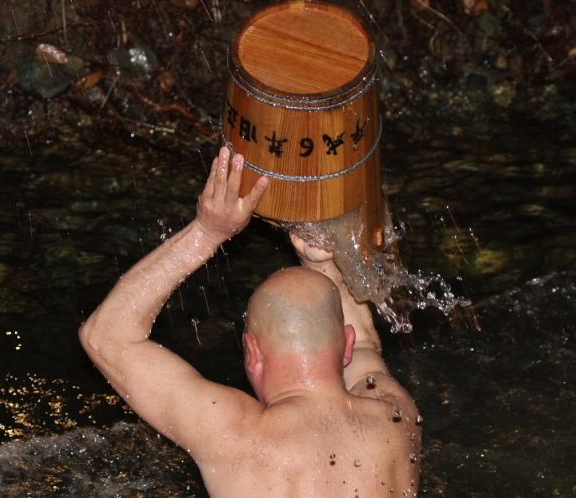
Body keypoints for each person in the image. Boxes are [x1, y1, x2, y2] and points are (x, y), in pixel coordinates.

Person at [79, 146, 421, 497]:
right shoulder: (395, 417)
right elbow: (367, 343)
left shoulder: (237, 437)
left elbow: (105, 336)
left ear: (251, 353)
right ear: (345, 344)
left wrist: (208, 232)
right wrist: (321, 258)